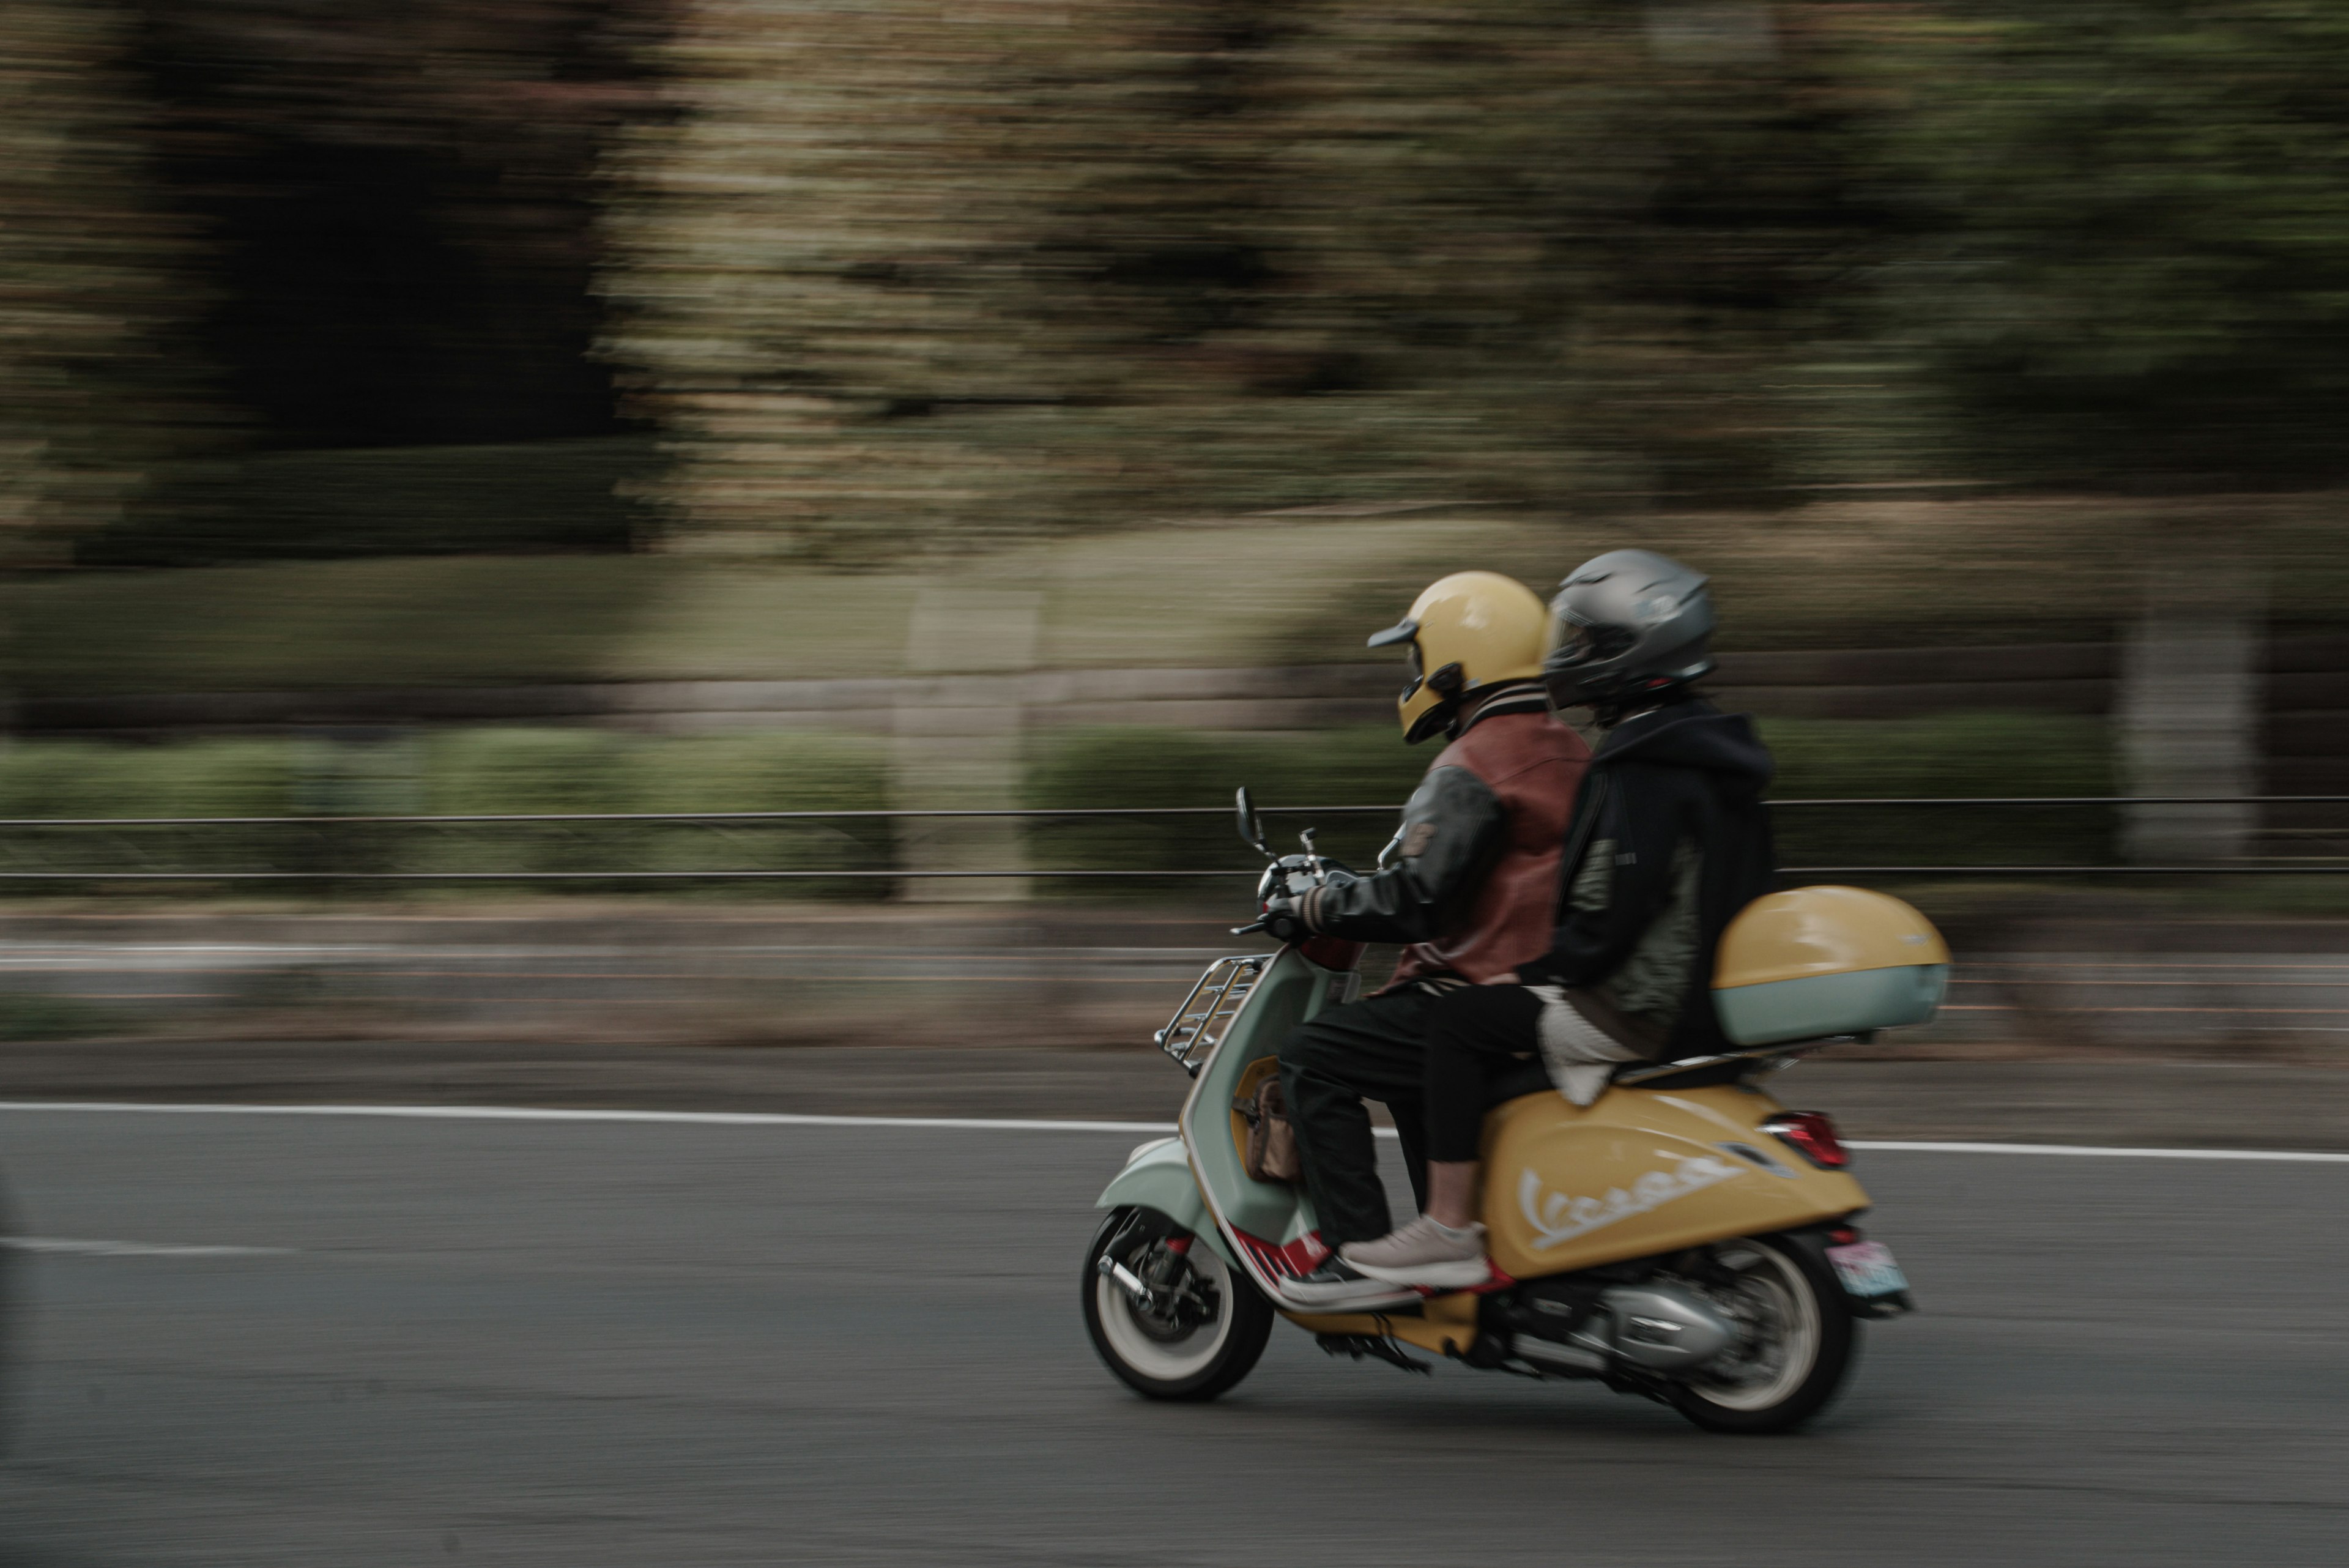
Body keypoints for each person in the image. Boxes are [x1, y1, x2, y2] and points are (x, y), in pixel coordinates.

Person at [1338, 549, 1778, 1291]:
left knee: (1457, 1024)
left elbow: (1618, 907)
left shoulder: (1643, 762)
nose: (1563, 658)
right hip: (1703, 1002)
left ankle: (1448, 1227)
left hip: (1638, 1007)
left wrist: (1538, 970)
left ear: (1623, 653)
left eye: (1578, 642)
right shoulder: (1718, 749)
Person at [1265, 571, 1590, 1307]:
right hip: (1547, 984)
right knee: (1398, 1057)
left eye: (1419, 660)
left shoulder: (1474, 760)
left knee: (1314, 1055)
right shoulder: (1570, 747)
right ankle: (1451, 1236)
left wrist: (1316, 906)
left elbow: (1418, 897)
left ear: (1454, 665)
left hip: (1476, 986)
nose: (1414, 677)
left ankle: (1354, 1257)